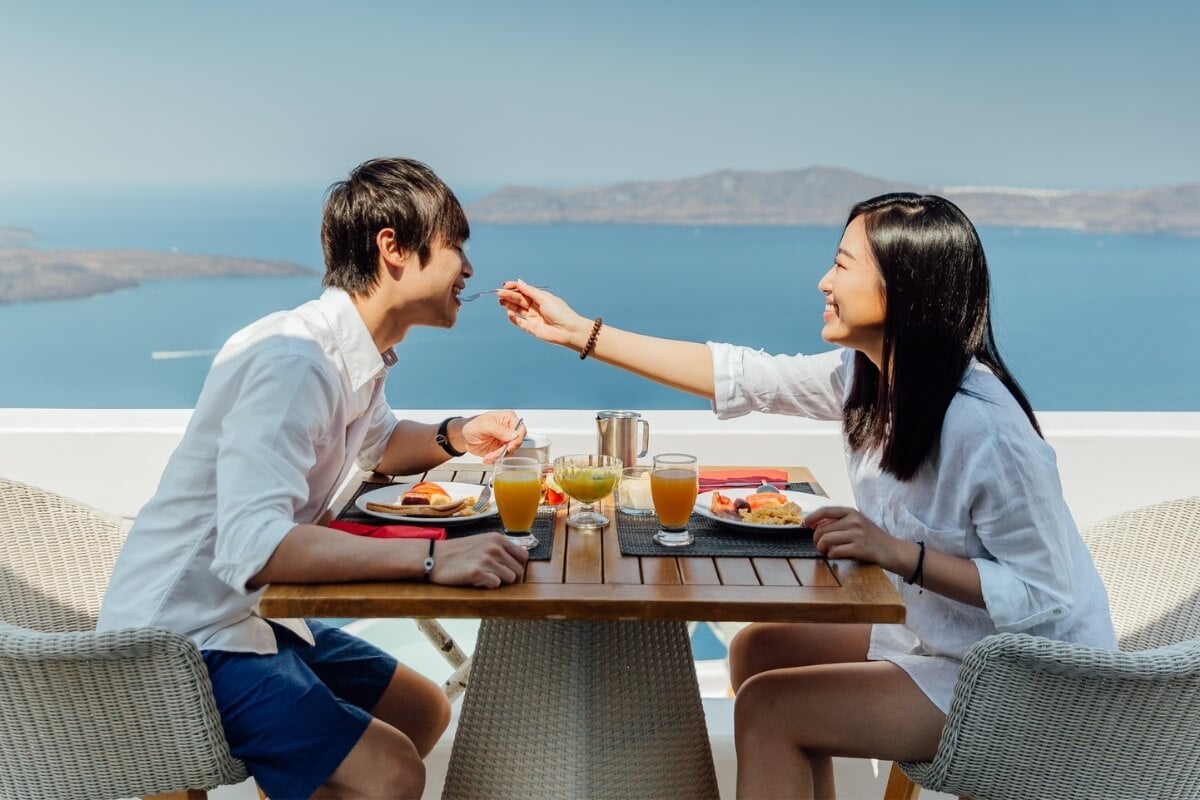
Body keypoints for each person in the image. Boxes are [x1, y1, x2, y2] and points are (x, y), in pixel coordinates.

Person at [497, 192, 1116, 799]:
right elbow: (745, 376)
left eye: (843, 265)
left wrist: (900, 554)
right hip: (944, 639)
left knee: (772, 710)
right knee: (760, 650)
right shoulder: (870, 377)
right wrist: (581, 332)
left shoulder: (985, 429)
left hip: (1026, 684)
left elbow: (1046, 598)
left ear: (903, 288)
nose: (824, 280)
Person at [98, 157, 530, 800]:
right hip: (179, 641)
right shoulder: (295, 362)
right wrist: (434, 558)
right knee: (391, 771)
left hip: (243, 614)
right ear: (394, 248)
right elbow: (257, 546)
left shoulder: (351, 351)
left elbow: (378, 441)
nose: (468, 269)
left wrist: (457, 436)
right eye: (456, 246)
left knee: (422, 710)